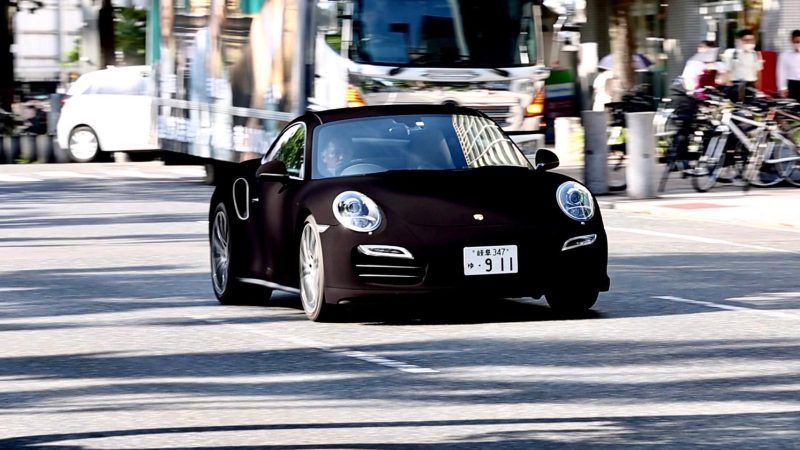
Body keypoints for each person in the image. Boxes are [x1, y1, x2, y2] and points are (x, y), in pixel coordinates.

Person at [721, 29, 763, 101]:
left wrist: (758, 90)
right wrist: (729, 87)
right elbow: (726, 72)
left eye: (752, 40)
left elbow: (758, 72)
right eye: (746, 40)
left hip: (750, 86)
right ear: (738, 40)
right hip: (735, 86)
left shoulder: (756, 54)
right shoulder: (731, 53)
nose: (749, 43)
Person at [777, 29, 800, 101]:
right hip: (792, 85)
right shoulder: (785, 55)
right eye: (797, 42)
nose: (798, 44)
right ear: (791, 41)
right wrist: (782, 87)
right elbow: (781, 72)